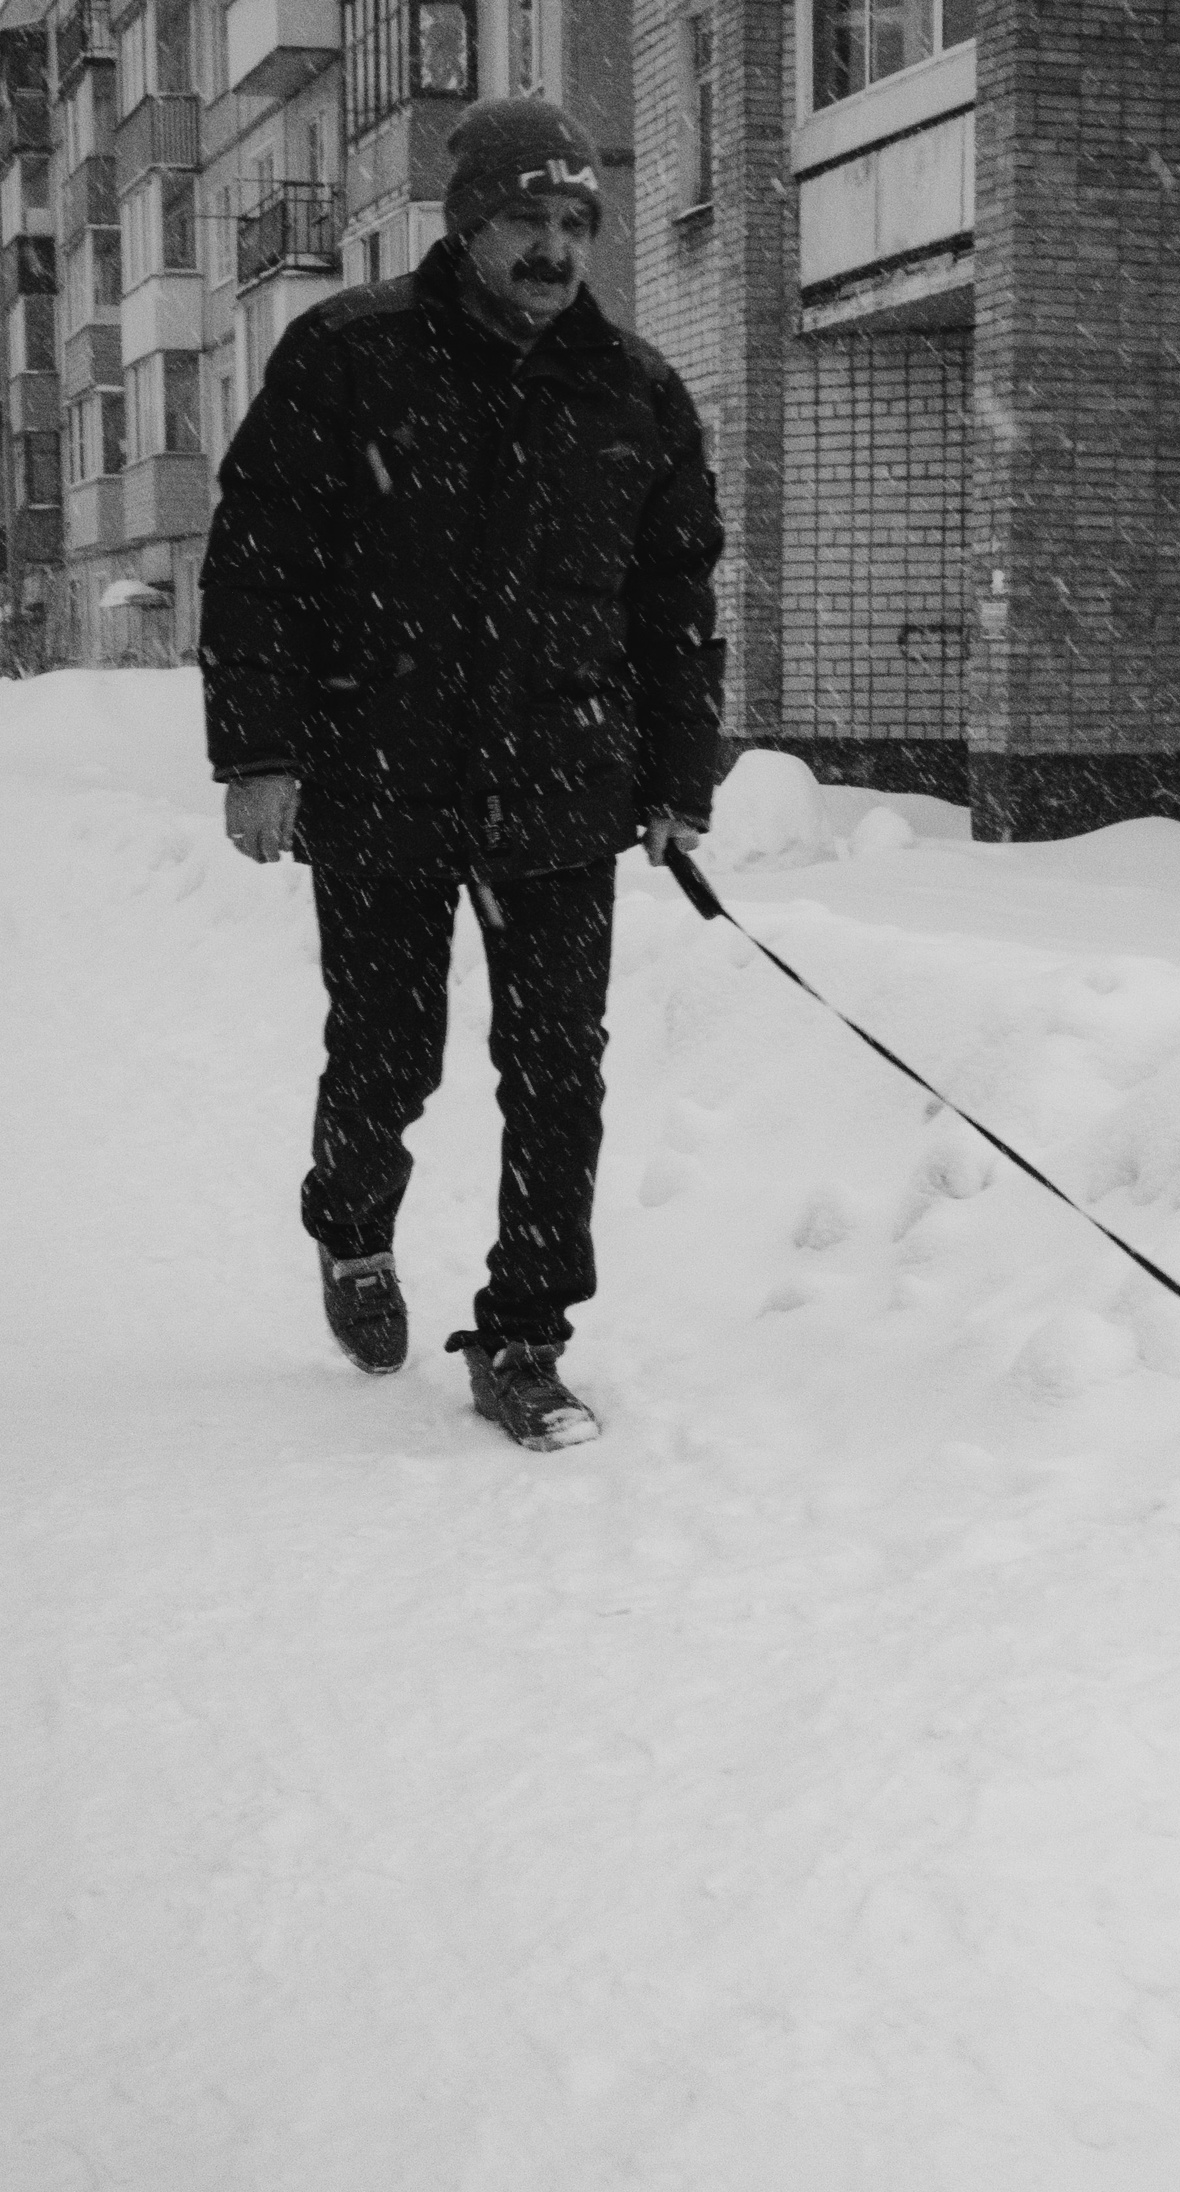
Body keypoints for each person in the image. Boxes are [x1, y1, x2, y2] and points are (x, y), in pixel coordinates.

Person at [200, 98, 724, 1451]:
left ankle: (526, 1334)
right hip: (381, 773)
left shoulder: (636, 393)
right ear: (467, 222)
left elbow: (674, 604)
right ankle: (355, 1229)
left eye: (573, 225)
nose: (553, 250)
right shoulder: (350, 356)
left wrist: (677, 777)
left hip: (563, 785)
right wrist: (260, 756)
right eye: (526, 222)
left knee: (560, 1072)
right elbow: (261, 562)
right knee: (386, 1052)